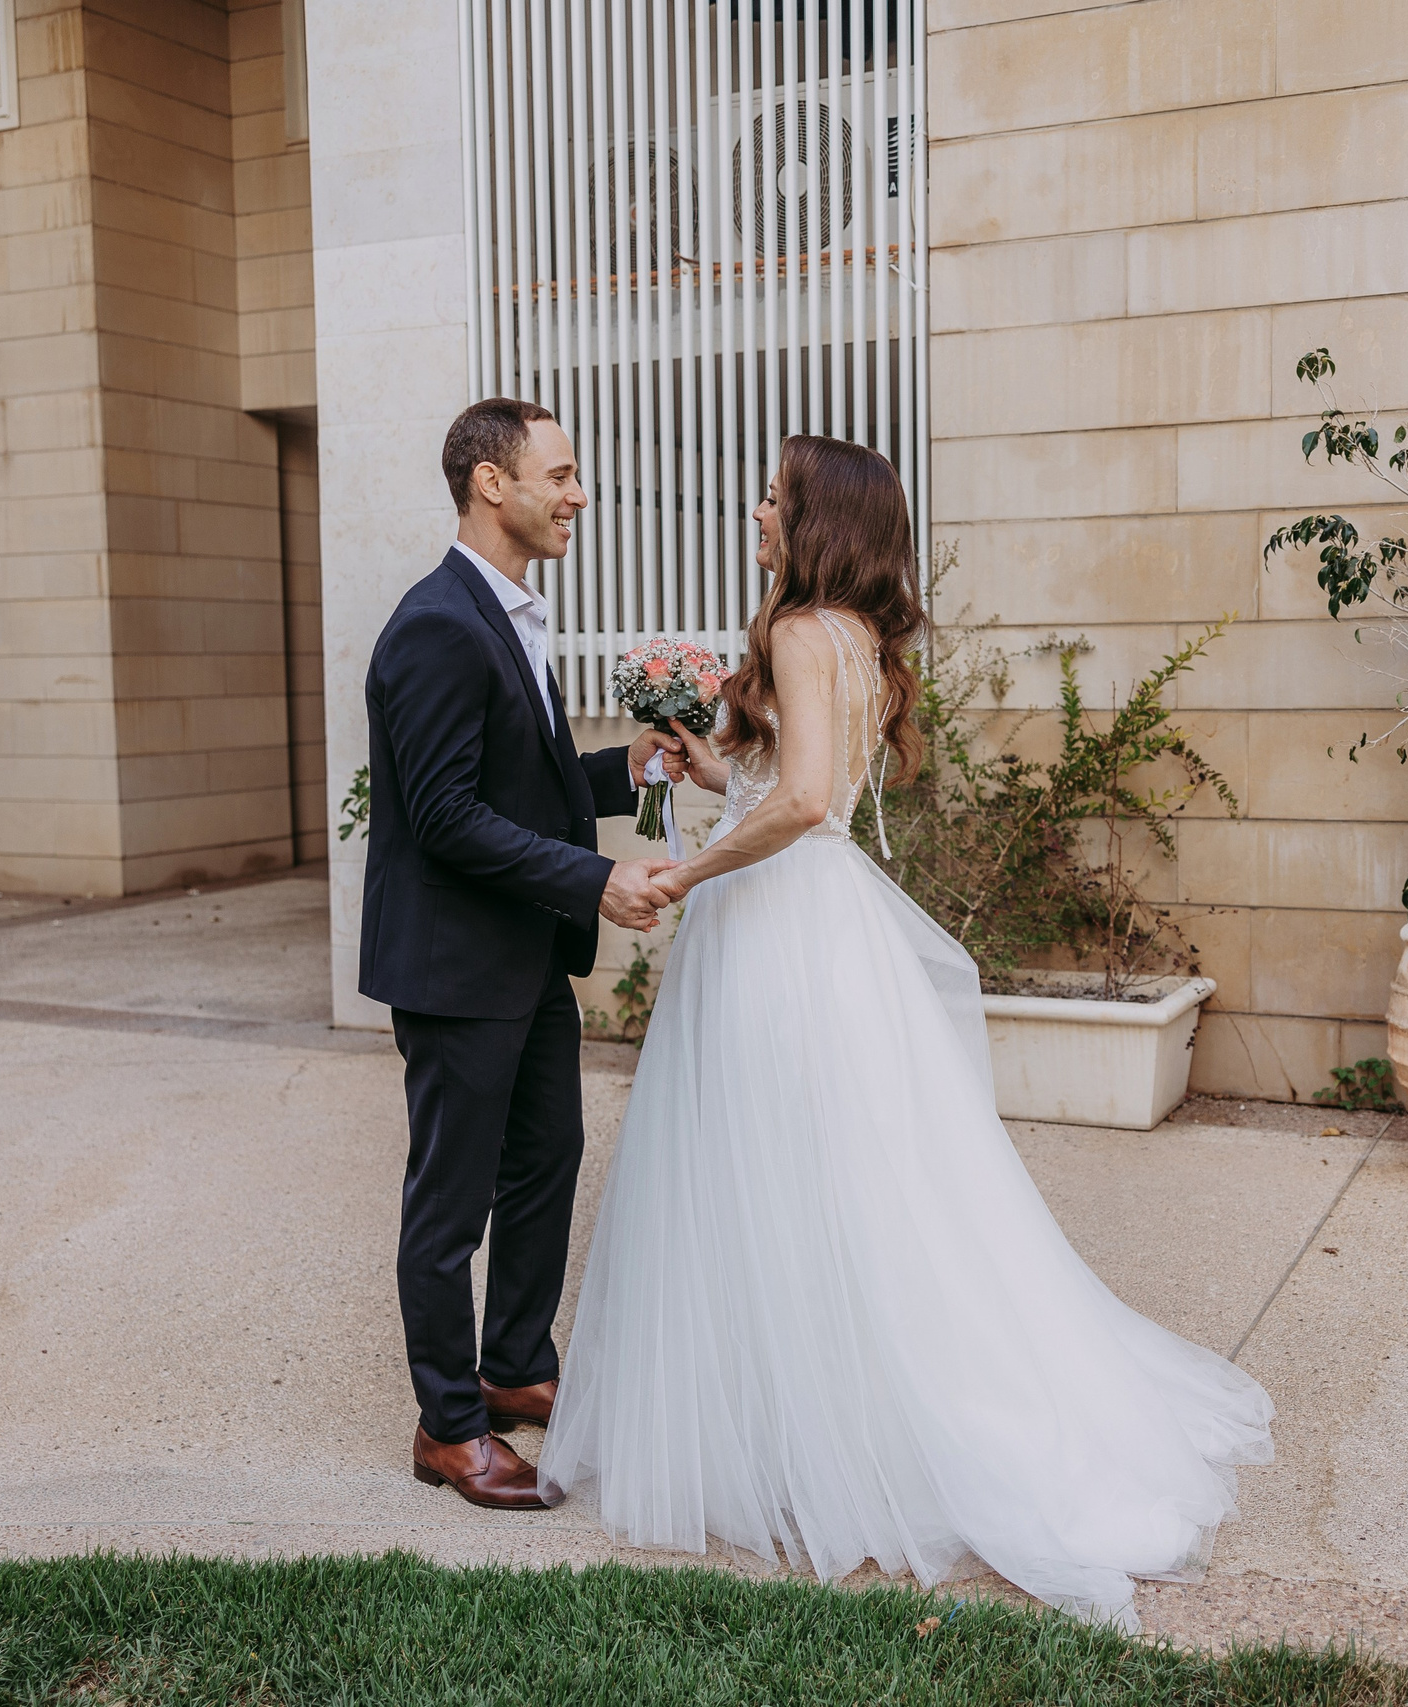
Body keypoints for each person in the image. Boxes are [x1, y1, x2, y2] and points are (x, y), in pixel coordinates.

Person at [536, 435, 1274, 1630]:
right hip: (820, 925)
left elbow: (809, 802)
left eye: (773, 497)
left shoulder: (793, 631)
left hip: (779, 933)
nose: (758, 510)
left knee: (772, 1171)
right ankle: (807, 1417)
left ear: (817, 516)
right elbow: (787, 788)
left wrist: (684, 876)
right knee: (849, 1177)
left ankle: (820, 1436)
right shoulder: (858, 640)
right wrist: (705, 760)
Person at [361, 396, 680, 1510]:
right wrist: (599, 877)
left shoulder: (508, 615)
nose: (577, 494)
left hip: (525, 955)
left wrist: (624, 766)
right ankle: (449, 1427)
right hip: (454, 967)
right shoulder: (438, 625)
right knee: (449, 1202)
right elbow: (445, 815)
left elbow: (522, 785)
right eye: (561, 473)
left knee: (545, 1161)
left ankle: (513, 1364)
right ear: (491, 484)